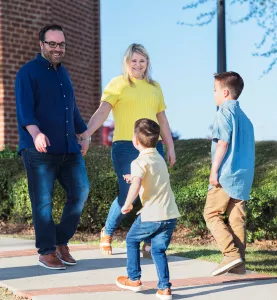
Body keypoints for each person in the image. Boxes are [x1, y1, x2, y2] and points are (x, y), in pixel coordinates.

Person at [86, 43, 176, 256]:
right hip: (125, 146)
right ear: (126, 63)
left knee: (153, 194)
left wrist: (170, 146)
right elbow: (102, 111)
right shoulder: (117, 84)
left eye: (142, 61)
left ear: (147, 64)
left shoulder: (155, 88)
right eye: (133, 60)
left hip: (154, 148)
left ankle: (147, 241)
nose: (137, 65)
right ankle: (107, 231)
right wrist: (87, 133)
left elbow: (162, 119)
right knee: (129, 192)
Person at [15, 24, 90, 270]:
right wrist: (36, 133)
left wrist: (85, 134)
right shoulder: (28, 73)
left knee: (81, 191)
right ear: (42, 45)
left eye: (62, 44)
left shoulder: (64, 73)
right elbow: (24, 110)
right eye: (53, 44)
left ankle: (60, 242)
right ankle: (46, 251)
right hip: (39, 150)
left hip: (69, 148)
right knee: (43, 202)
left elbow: (73, 110)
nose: (58, 49)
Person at [115, 118, 180, 300]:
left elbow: (136, 185)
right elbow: (149, 178)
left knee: (131, 240)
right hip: (169, 214)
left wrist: (127, 204)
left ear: (135, 140)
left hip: (152, 214)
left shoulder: (138, 162)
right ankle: (165, 288)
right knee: (158, 250)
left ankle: (134, 279)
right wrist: (134, 177)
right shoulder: (158, 158)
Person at [203, 71, 255, 276]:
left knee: (211, 213)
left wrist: (214, 170)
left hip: (225, 175)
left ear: (225, 92)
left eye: (215, 90)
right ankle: (238, 265)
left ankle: (230, 254)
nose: (213, 94)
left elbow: (222, 143)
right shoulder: (246, 119)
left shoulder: (224, 112)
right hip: (242, 177)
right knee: (236, 219)